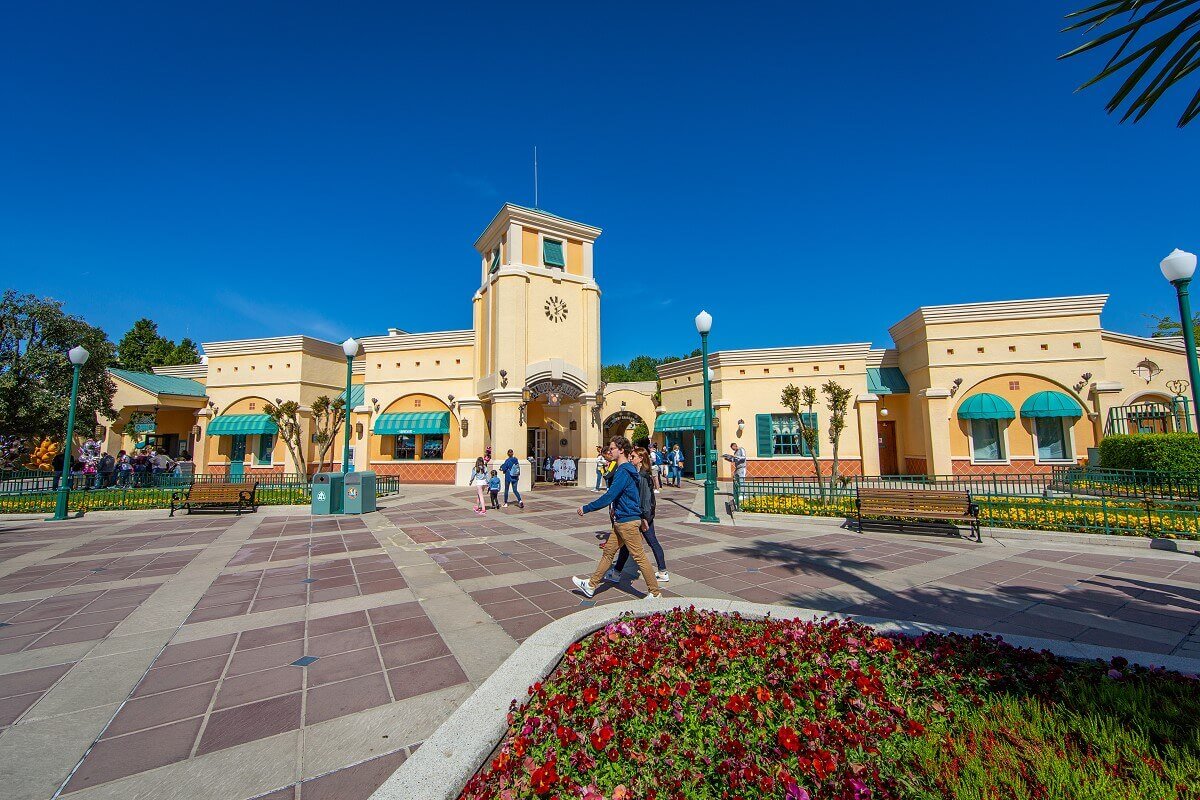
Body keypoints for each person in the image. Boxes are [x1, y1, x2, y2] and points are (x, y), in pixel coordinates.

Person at [571, 436, 662, 599]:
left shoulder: (623, 471)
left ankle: (655, 593)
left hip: (627, 521)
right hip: (622, 520)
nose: (609, 451)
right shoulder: (627, 470)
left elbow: (609, 496)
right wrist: (640, 516)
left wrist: (586, 508)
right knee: (608, 552)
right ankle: (591, 585)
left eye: (612, 448)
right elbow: (634, 496)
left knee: (639, 557)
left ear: (621, 450)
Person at [604, 445, 668, 585]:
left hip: (642, 516)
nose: (630, 459)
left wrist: (643, 517)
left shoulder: (643, 476)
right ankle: (618, 572)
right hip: (642, 515)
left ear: (641, 459)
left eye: (633, 457)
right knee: (634, 544)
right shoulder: (639, 474)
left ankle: (661, 572)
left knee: (645, 543)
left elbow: (645, 499)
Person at [723, 441, 748, 509]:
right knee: (737, 481)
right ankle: (738, 493)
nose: (733, 450)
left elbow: (743, 458)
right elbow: (734, 460)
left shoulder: (741, 449)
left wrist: (736, 456)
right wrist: (727, 458)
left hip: (742, 468)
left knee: (741, 481)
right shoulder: (735, 452)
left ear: (735, 446)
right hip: (737, 468)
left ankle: (743, 494)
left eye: (733, 448)